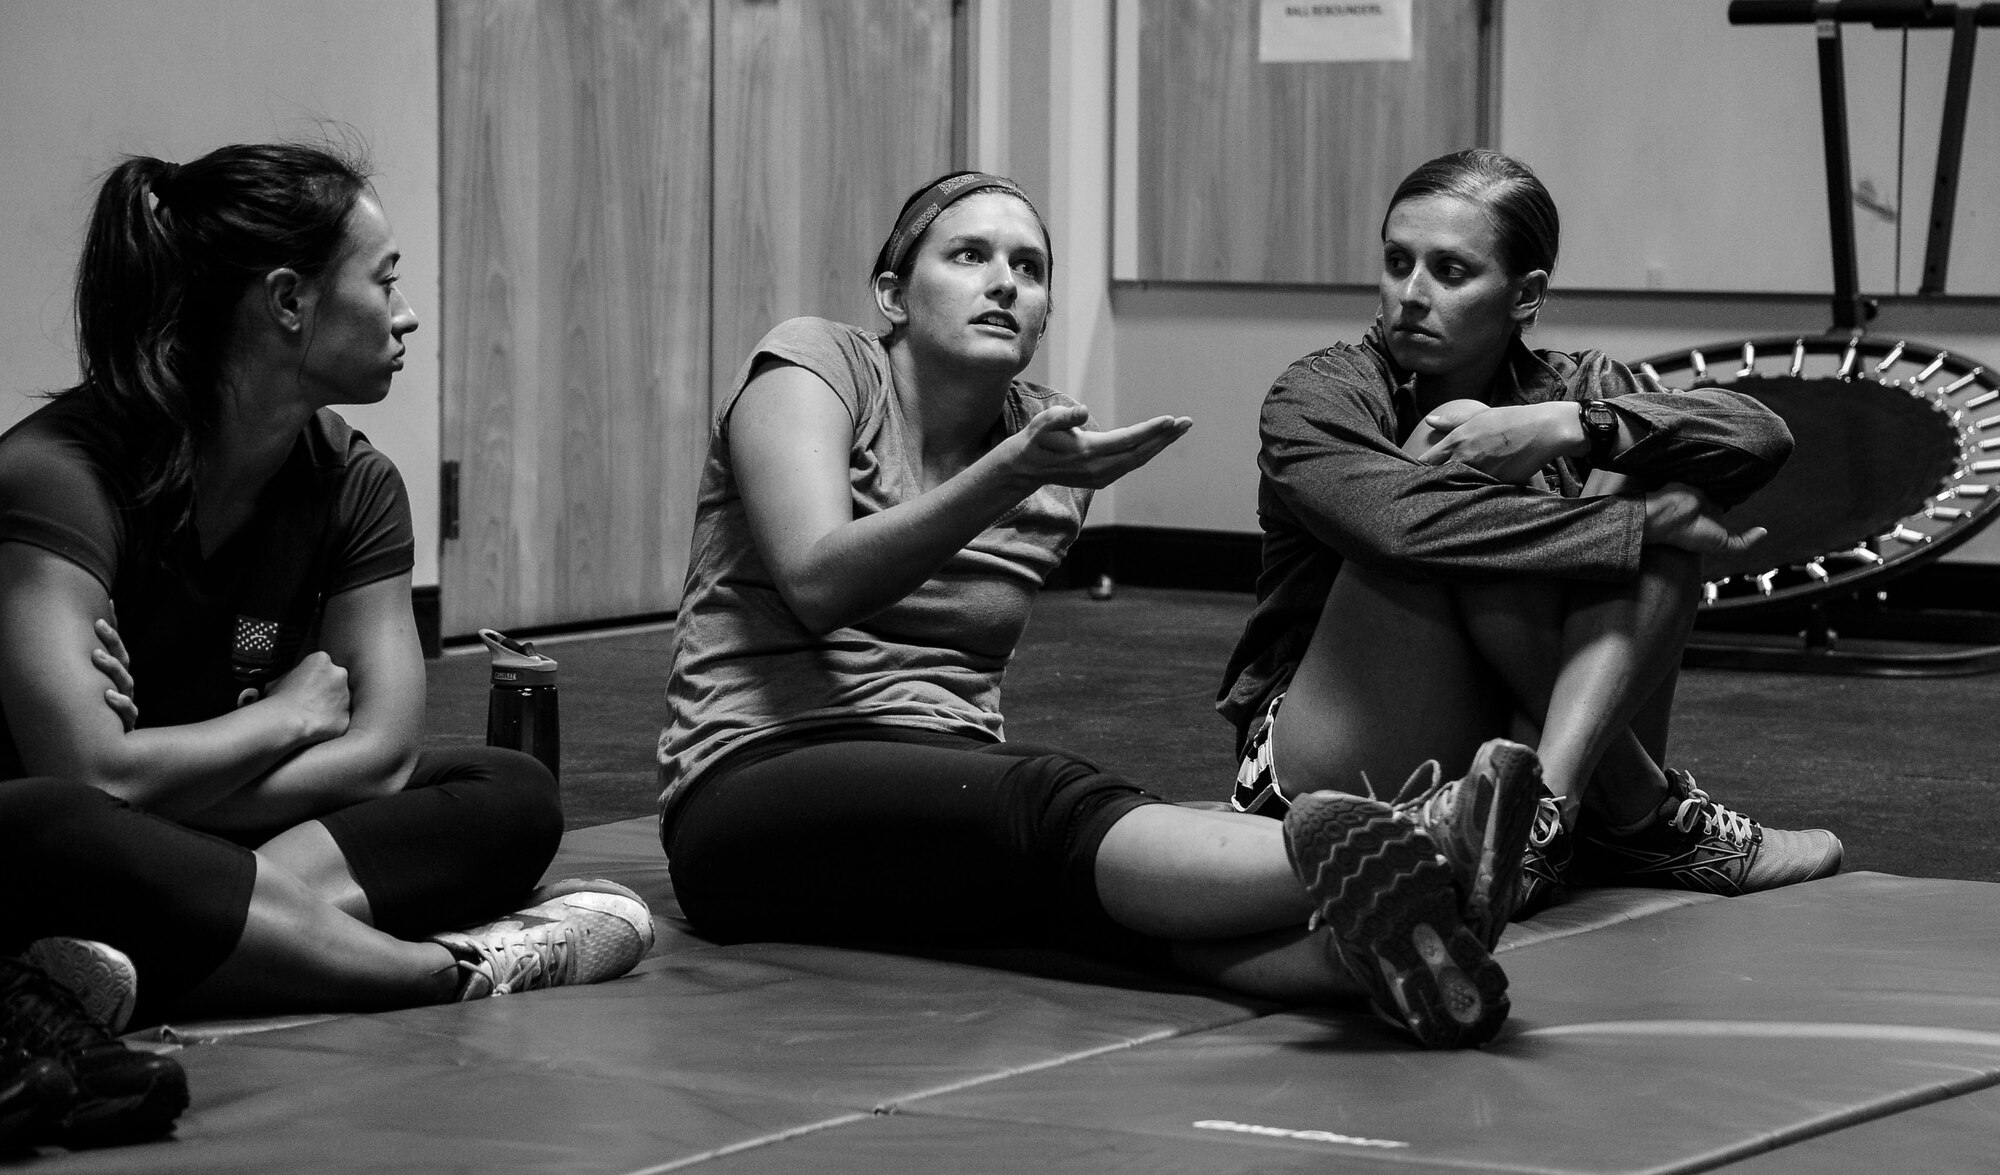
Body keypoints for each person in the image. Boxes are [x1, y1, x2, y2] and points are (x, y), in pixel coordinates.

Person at [657, 171, 1541, 1051]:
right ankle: (1414, 850)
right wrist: (1006, 473)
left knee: (1093, 913)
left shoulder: (1044, 445)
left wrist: (1023, 468)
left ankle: (1379, 963)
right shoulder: (817, 365)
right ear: (891, 292)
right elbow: (817, 582)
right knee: (1044, 800)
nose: (1005, 281)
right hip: (749, 787)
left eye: (1029, 268)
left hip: (939, 780)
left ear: (1043, 319)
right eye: (969, 255)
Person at [0, 144, 651, 1147]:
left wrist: (155, 777)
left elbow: (380, 751)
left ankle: (137, 950)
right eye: (384, 280)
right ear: (288, 302)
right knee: (46, 819)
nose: (408, 313)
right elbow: (79, 769)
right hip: (63, 847)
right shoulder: (59, 472)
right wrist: (281, 717)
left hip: (188, 849)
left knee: (507, 790)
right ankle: (456, 968)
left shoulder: (352, 482)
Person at [1218, 148, 1843, 917]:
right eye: (1396, 261)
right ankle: (1635, 809)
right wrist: (1640, 526)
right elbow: (1399, 527)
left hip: (1501, 753)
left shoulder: (1575, 385)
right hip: (1323, 770)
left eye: (1450, 272)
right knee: (1460, 458)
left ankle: (1541, 812)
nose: (1410, 294)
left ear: (1526, 295)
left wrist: (1570, 424)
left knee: (1657, 459)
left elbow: (1759, 436)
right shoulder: (1317, 392)